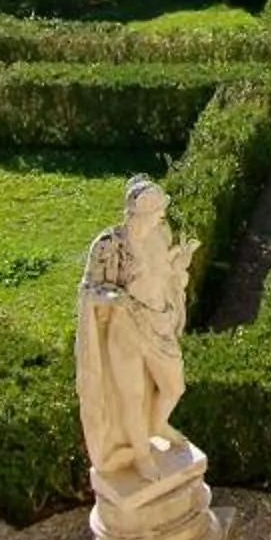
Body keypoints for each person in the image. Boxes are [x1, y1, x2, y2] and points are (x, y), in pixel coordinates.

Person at [74, 178, 195, 479]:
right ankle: (142, 455)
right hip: (125, 329)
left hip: (159, 323)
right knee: (131, 395)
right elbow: (89, 289)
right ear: (138, 214)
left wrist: (180, 264)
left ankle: (157, 424)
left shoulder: (160, 234)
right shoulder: (109, 245)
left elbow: (165, 277)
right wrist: (119, 298)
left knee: (174, 386)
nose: (161, 217)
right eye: (156, 212)